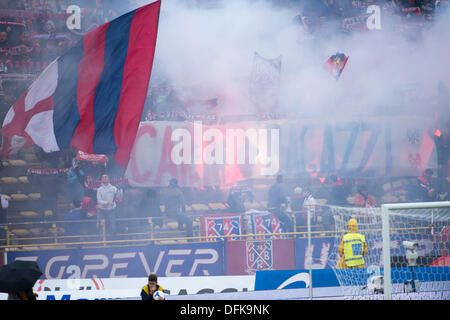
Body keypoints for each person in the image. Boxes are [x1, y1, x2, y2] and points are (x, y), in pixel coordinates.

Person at [97, 174, 122, 238]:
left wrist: (120, 190)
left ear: (109, 179)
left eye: (106, 177)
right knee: (101, 226)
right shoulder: (99, 189)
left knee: (113, 226)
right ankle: (102, 241)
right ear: (101, 179)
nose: (105, 178)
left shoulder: (113, 188)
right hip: (102, 211)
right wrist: (108, 203)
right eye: (103, 177)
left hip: (111, 210)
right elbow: (99, 201)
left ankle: (112, 241)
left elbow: (119, 197)